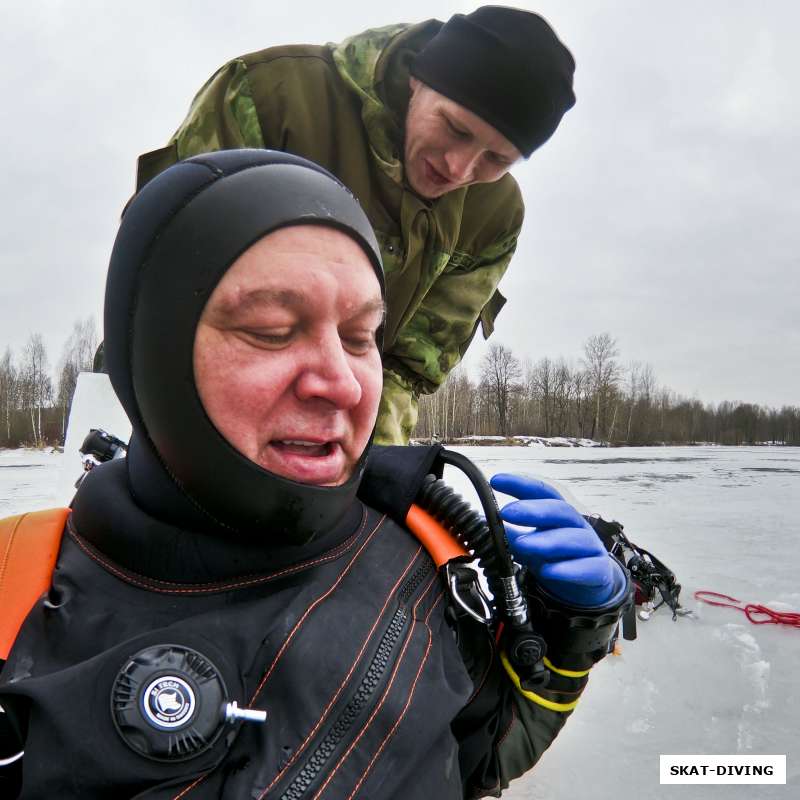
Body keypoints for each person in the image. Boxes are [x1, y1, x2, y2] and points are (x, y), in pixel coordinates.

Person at [0, 151, 628, 799]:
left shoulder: (431, 564)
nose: (342, 383)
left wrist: (568, 642)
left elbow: (483, 754)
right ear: (152, 353)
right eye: (272, 331)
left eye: (361, 337)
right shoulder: (13, 586)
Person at [135, 7, 577, 444]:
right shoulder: (269, 97)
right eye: (455, 129)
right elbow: (169, 281)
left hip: (338, 424)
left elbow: (406, 369)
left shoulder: (495, 215)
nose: (459, 168)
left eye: (497, 159)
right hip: (180, 394)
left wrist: (365, 469)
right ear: (417, 80)